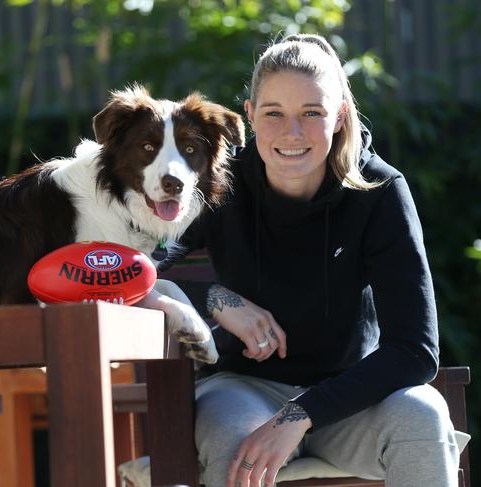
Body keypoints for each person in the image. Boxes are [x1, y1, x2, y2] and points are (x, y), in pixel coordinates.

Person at [170, 33, 460, 487]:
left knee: (424, 416)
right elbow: (136, 267)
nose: (292, 133)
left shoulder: (379, 191)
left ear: (340, 115)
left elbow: (416, 351)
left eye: (312, 113)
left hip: (350, 397)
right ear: (249, 114)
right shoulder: (218, 183)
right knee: (233, 444)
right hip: (242, 388)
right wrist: (216, 299)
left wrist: (301, 413)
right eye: (273, 114)